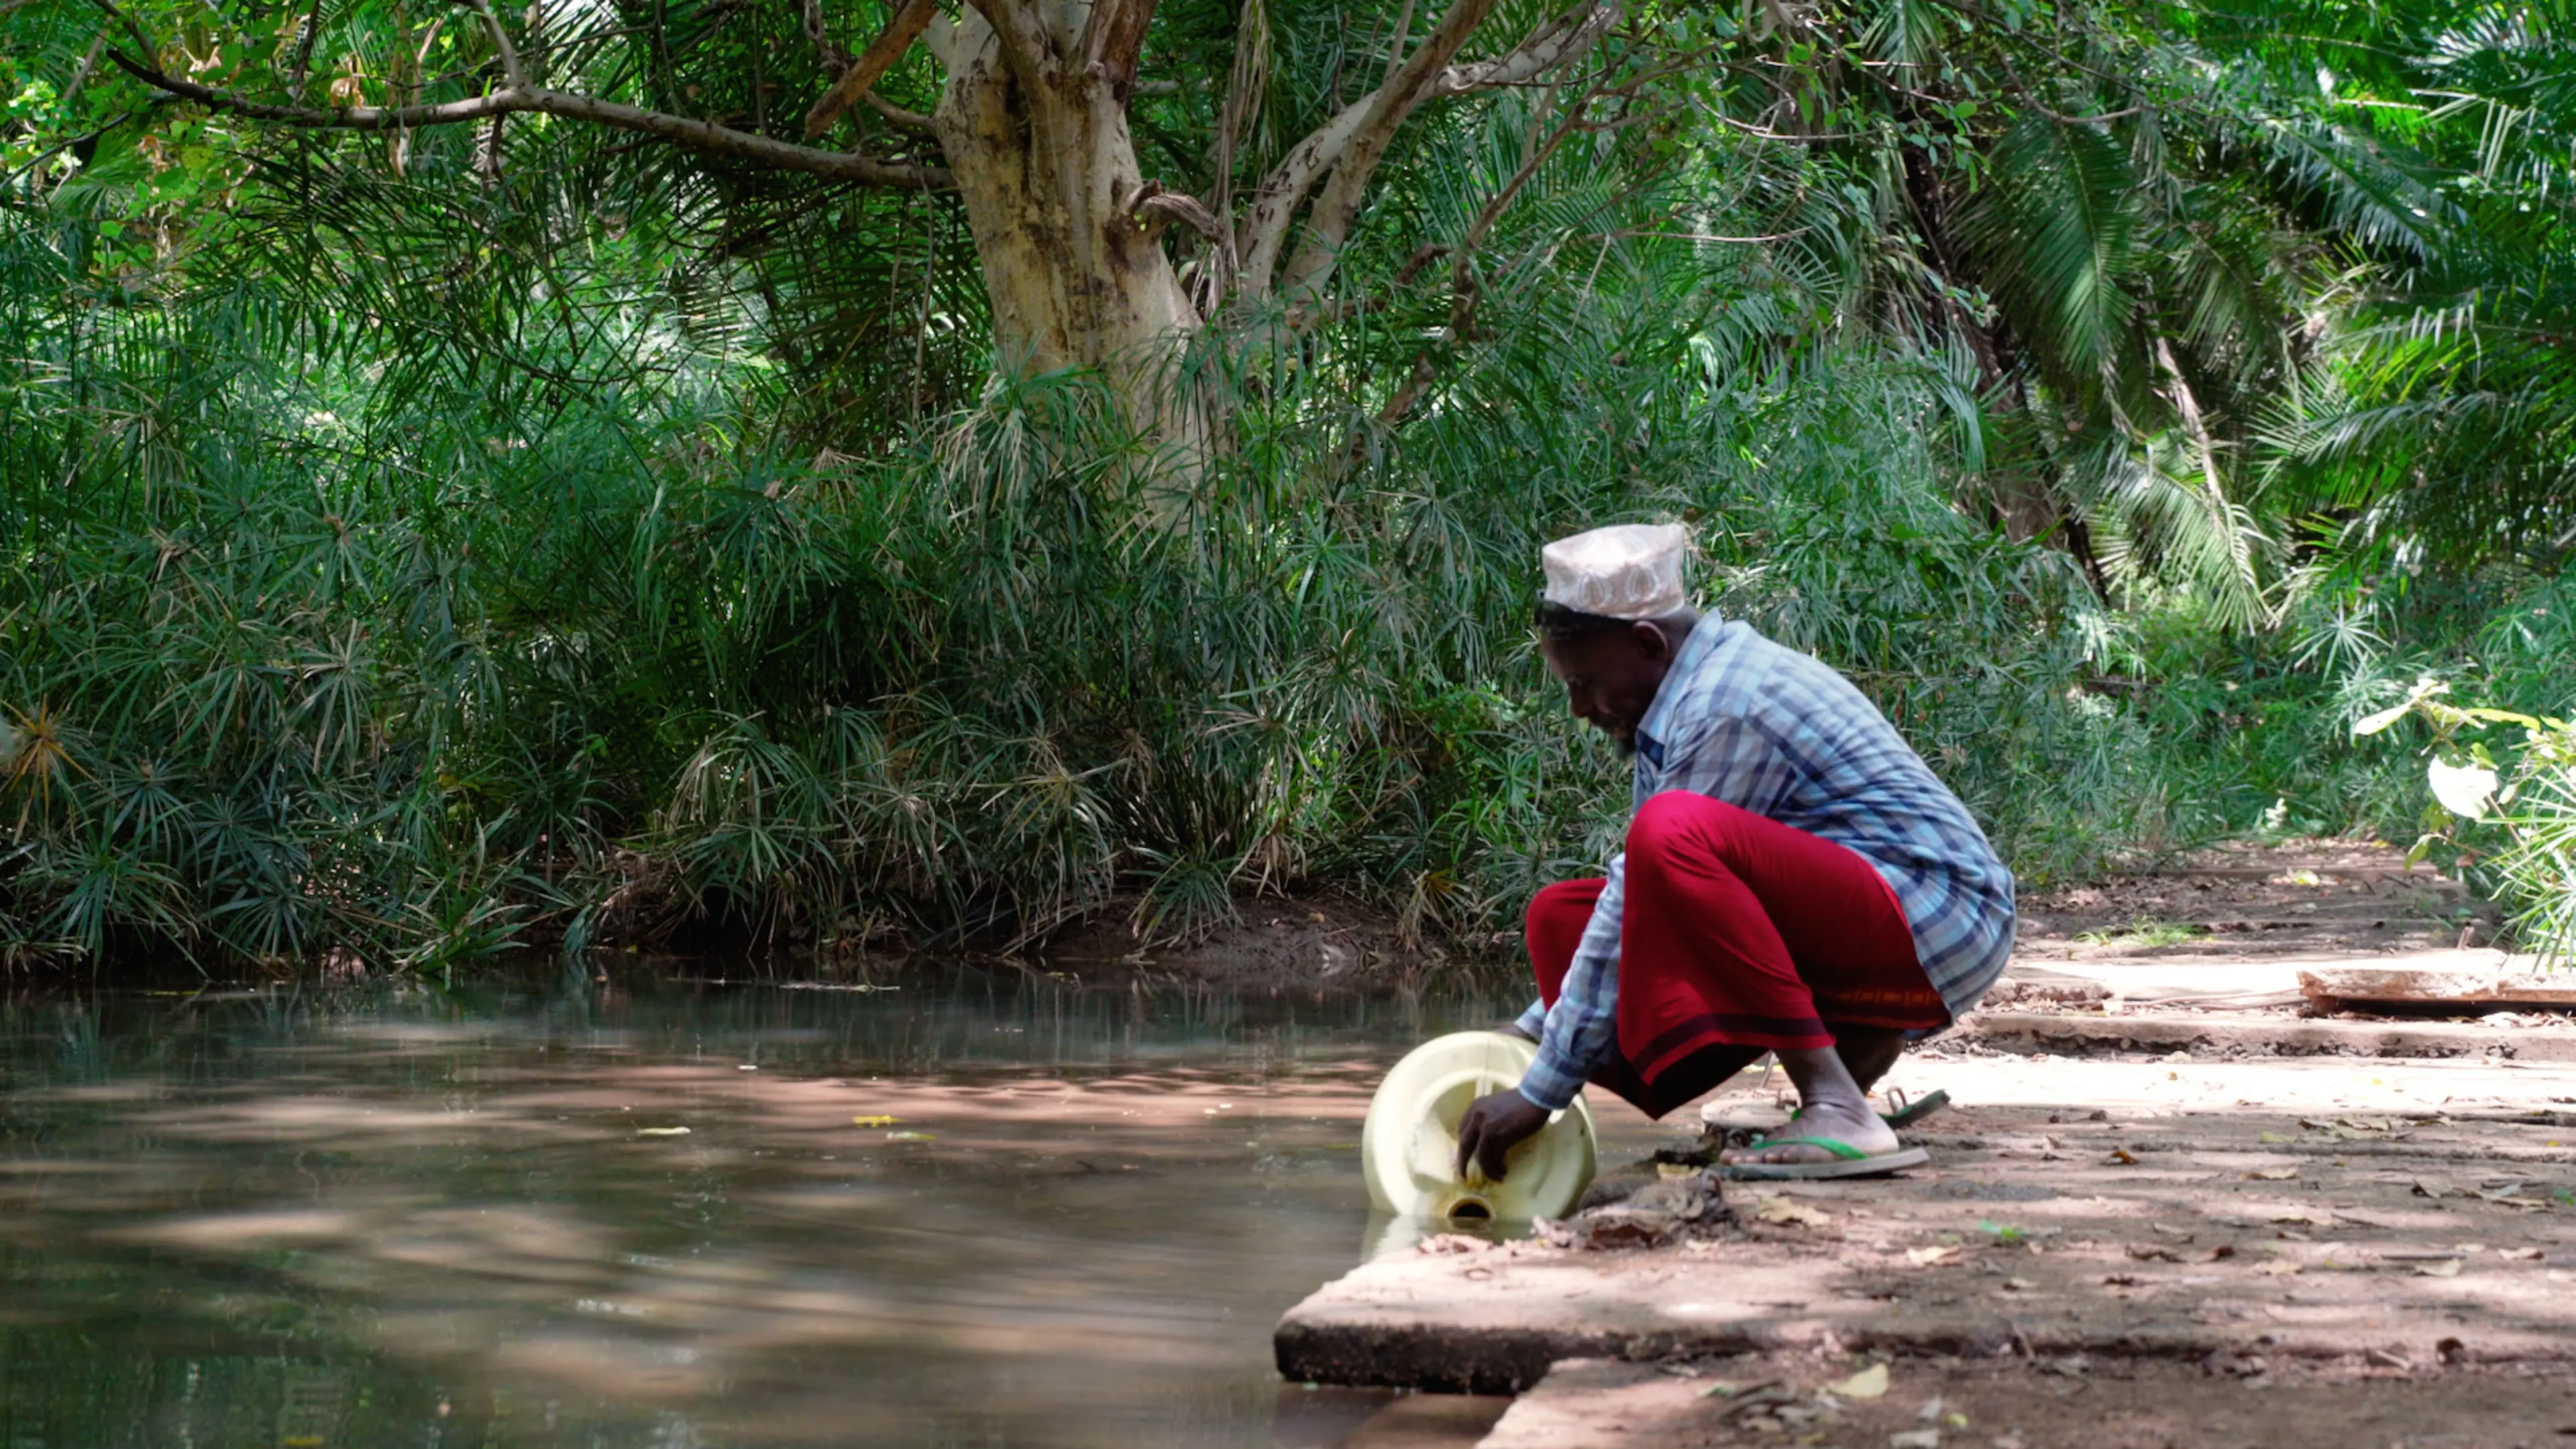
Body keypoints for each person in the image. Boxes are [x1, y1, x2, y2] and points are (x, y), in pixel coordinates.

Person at [1454, 523, 2015, 1182]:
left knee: (1672, 833)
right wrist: (1522, 1042)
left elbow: (1655, 865)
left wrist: (1540, 1089)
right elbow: (1634, 908)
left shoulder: (1725, 703)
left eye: (1585, 682)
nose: (1579, 707)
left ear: (1646, 643)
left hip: (1940, 917)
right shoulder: (1670, 703)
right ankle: (1852, 1057)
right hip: (1878, 916)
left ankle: (1840, 1107)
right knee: (1561, 917)